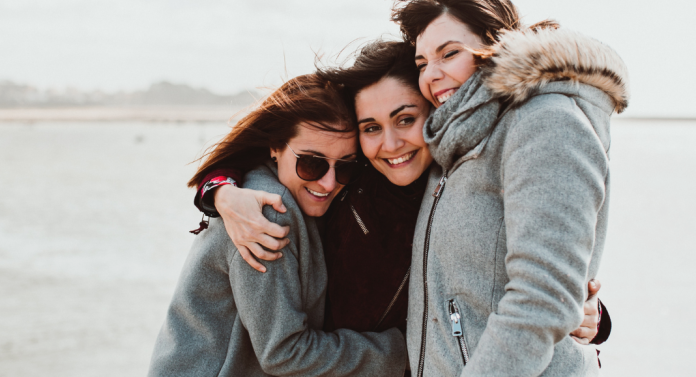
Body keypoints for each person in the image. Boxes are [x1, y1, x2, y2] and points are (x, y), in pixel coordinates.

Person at [193, 34, 610, 363]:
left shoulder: (458, 186)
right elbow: (281, 147)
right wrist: (221, 190)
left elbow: (518, 267)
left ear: (434, 110)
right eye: (370, 127)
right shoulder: (348, 180)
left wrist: (591, 316)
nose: (391, 145)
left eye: (406, 119)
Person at [391, 0, 628, 375]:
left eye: (449, 53)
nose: (430, 75)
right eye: (421, 64)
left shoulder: (545, 123)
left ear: (498, 44)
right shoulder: (456, 140)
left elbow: (544, 298)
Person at [148, 74, 409, 377]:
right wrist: (400, 350)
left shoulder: (283, 192)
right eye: (312, 163)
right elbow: (284, 352)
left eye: (347, 166)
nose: (328, 183)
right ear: (275, 147)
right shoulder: (269, 213)